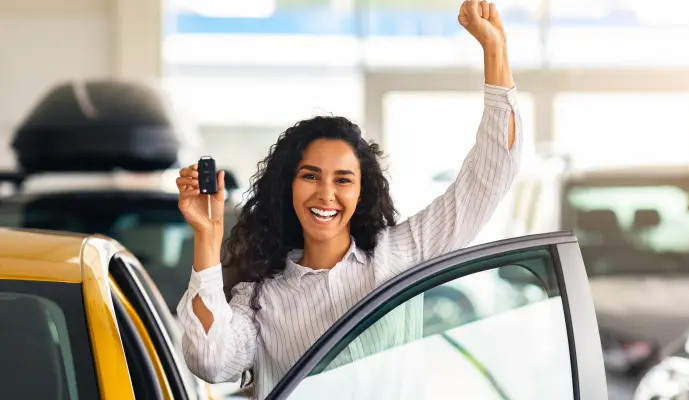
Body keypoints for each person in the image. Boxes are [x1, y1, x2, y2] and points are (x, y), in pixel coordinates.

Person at [175, 1, 521, 398]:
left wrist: (495, 51)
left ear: (362, 192)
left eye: (343, 179)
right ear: (288, 186)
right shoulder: (261, 298)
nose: (326, 194)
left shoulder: (398, 256)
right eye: (310, 176)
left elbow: (490, 175)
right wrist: (207, 234)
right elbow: (211, 360)